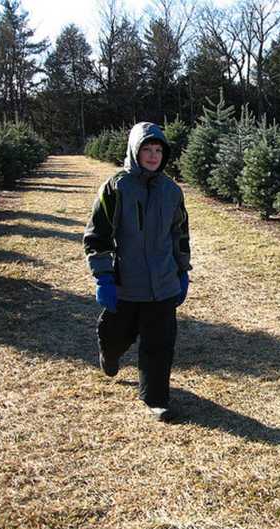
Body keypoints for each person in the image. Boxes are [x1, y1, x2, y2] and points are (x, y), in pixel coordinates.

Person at [83, 122, 191, 422]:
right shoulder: (116, 187)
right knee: (118, 333)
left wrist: (182, 272)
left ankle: (156, 398)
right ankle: (110, 352)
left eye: (158, 150)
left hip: (164, 284)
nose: (153, 156)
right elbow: (97, 237)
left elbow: (180, 234)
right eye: (147, 149)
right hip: (126, 283)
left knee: (159, 344)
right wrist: (104, 276)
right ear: (135, 151)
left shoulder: (171, 191)